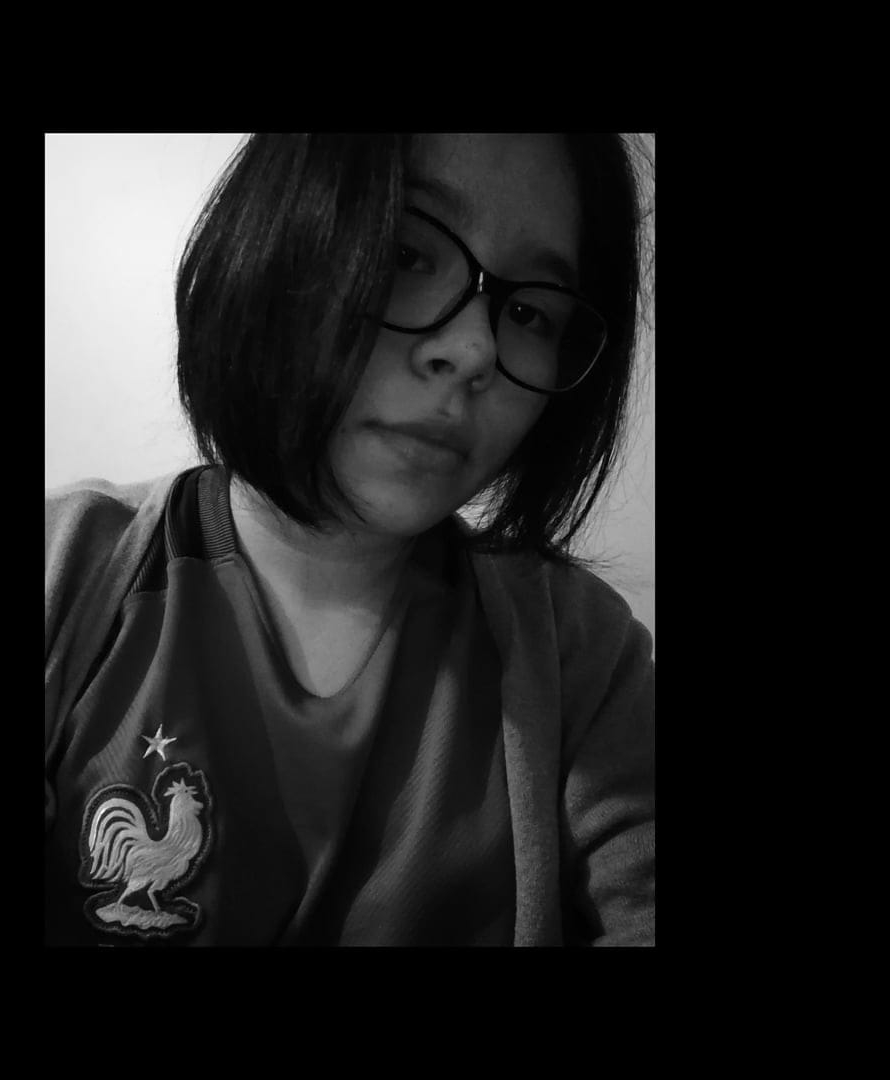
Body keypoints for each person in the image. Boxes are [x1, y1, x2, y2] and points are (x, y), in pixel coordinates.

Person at [44, 133, 655, 947]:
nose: (473, 351)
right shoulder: (65, 569)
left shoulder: (584, 653)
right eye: (406, 254)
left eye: (528, 313)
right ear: (271, 238)